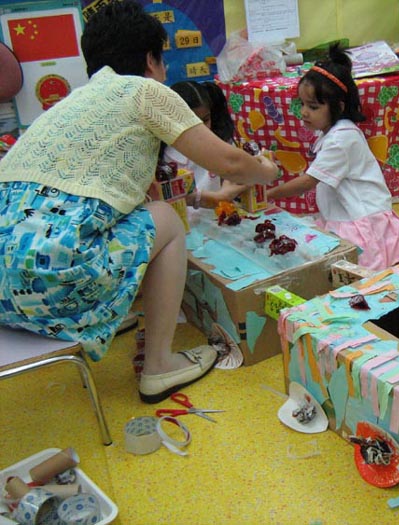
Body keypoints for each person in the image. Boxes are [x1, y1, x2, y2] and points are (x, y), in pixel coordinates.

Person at [0, 0, 278, 404]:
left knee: (133, 217)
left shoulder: (72, 104)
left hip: (6, 299)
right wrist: (266, 171)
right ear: (151, 60)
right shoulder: (144, 91)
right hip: (56, 285)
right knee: (165, 220)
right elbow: (231, 163)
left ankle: (113, 313)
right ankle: (160, 365)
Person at [266, 44, 399, 271]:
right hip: (347, 213)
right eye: (302, 104)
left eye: (313, 106)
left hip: (361, 219)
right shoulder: (333, 132)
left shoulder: (341, 140)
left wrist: (268, 195)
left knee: (360, 275)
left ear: (338, 106)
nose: (304, 112)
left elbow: (308, 182)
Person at [161, 81, 247, 213]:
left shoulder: (219, 145)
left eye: (206, 120)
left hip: (216, 218)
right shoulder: (166, 158)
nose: (202, 129)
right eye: (192, 123)